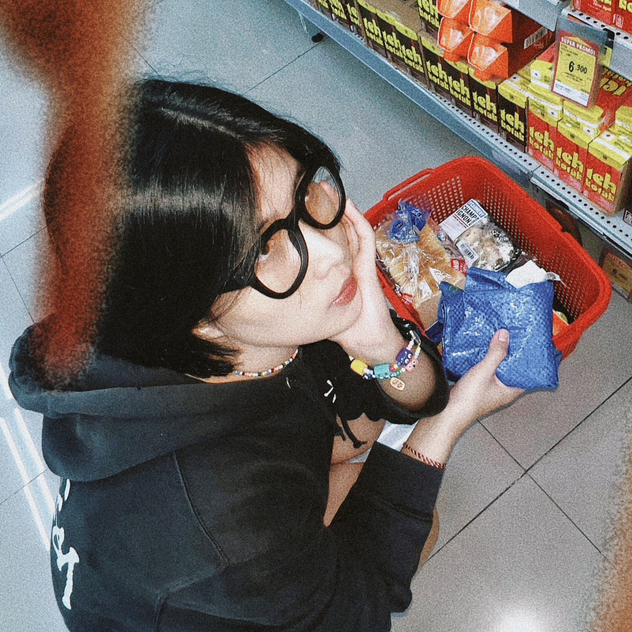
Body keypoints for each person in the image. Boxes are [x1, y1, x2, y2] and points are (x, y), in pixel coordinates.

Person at [9, 79, 523, 632]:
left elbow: (406, 395)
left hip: (228, 501)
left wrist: (379, 342)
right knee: (423, 521)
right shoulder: (228, 520)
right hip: (200, 580)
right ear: (187, 310)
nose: (332, 251)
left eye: (306, 195)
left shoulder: (232, 322)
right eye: (261, 249)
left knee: (364, 427)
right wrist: (442, 430)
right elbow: (361, 611)